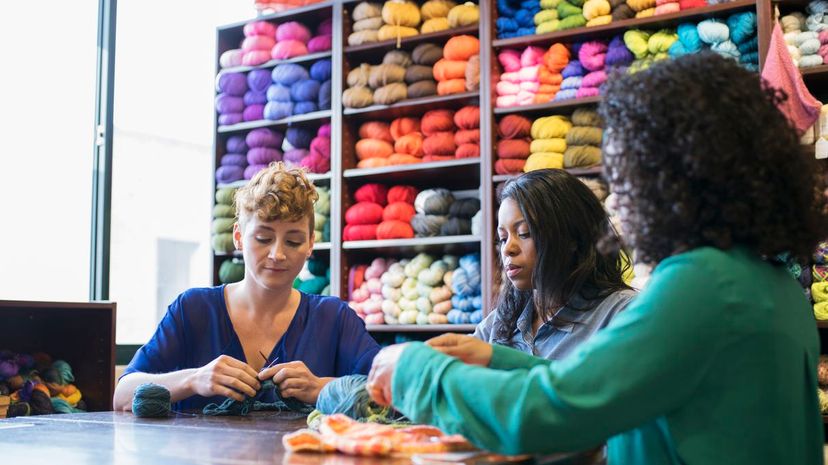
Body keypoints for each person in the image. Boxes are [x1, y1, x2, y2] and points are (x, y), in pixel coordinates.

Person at [367, 52, 827, 464]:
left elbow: (548, 412)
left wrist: (417, 371)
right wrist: (499, 359)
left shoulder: (703, 284)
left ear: (671, 177)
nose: (622, 198)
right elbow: (608, 389)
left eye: (625, 173)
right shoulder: (771, 284)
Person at [114, 162, 379, 412]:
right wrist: (194, 379)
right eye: (263, 238)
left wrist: (320, 387)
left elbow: (390, 390)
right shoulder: (193, 310)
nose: (277, 254)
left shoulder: (333, 318)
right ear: (239, 237)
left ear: (310, 244)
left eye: (294, 241)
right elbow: (123, 395)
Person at [473, 170, 635, 361]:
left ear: (572, 238)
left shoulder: (623, 315)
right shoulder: (501, 321)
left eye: (524, 233)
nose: (508, 249)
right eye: (502, 238)